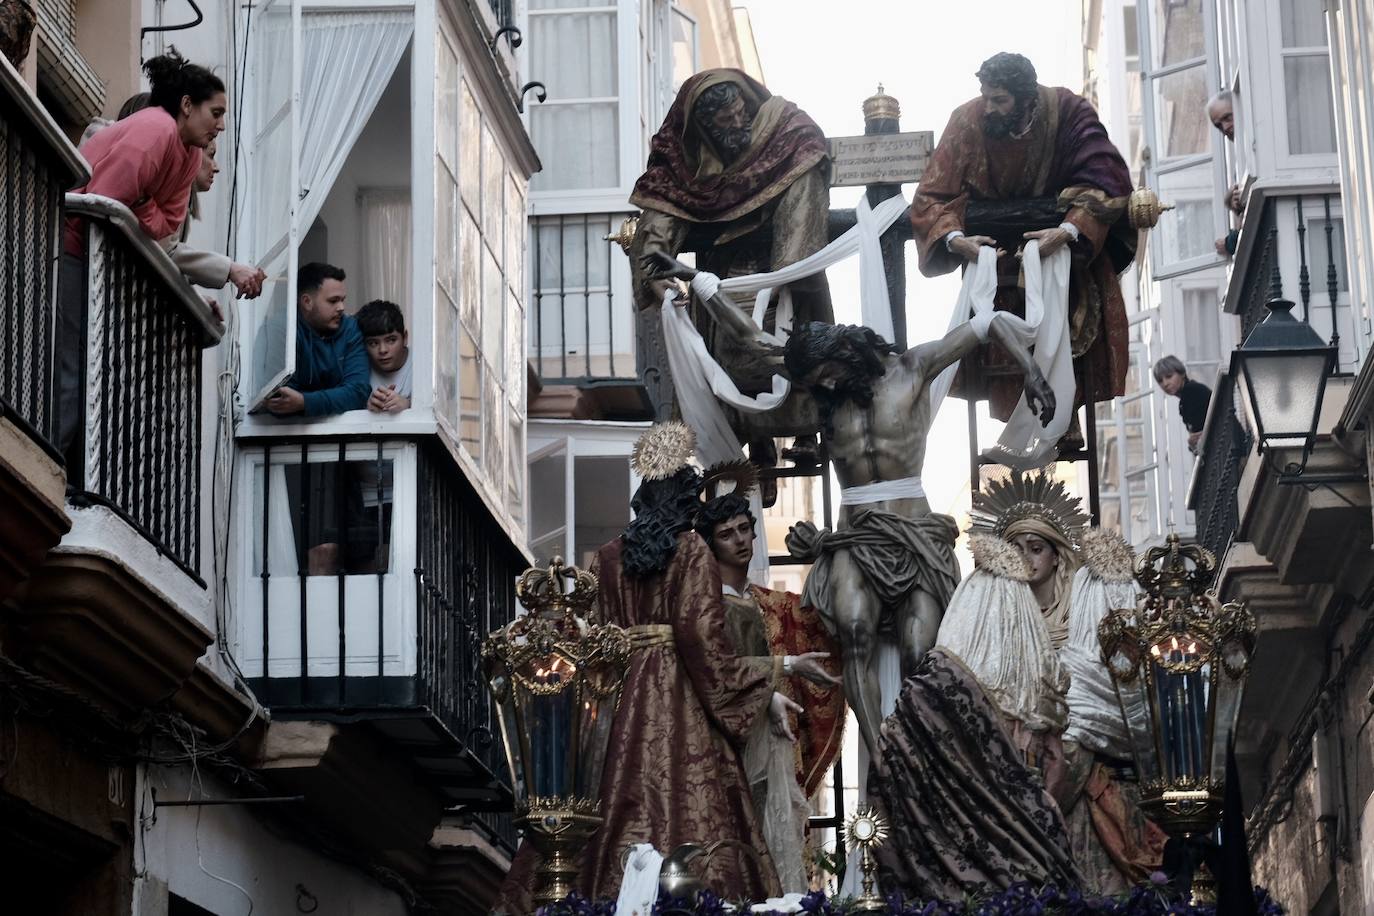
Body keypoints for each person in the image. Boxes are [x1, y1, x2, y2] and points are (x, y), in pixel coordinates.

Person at [493, 423, 792, 913]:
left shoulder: (605, 558)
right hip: (678, 693)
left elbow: (585, 637)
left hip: (618, 693)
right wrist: (756, 687)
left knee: (606, 792)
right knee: (692, 798)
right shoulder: (692, 550)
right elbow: (702, 639)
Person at [771, 316, 1055, 762]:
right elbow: (752, 344)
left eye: (824, 372)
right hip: (856, 537)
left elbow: (989, 323)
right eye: (814, 380)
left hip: (915, 533)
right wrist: (703, 287)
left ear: (841, 351)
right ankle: (880, 754)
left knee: (920, 650)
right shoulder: (827, 398)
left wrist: (1032, 373)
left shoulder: (913, 367)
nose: (823, 385)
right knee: (855, 634)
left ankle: (922, 753)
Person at [910, 51, 1134, 447]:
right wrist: (956, 240)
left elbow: (1106, 180)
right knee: (999, 331)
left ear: (1026, 97)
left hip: (1060, 248)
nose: (990, 108)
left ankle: (1067, 415)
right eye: (986, 97)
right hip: (992, 252)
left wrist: (1067, 231)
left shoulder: (1068, 112)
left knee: (1070, 317)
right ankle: (1018, 418)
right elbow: (930, 197)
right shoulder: (967, 120)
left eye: (1000, 100)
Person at [629, 68, 833, 475]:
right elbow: (657, 222)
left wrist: (785, 273)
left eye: (741, 112)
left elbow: (807, 174)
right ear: (704, 128)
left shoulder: (786, 131)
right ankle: (749, 442)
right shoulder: (686, 169)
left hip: (783, 278)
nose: (739, 124)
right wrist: (653, 268)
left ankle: (808, 431)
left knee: (794, 347)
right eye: (724, 122)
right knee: (726, 360)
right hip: (723, 279)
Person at [873, 531, 1082, 901]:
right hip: (1024, 864)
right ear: (1023, 620)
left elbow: (889, 752)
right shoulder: (1035, 685)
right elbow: (1055, 773)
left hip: (938, 869)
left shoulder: (929, 692)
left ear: (962, 611)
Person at [58, 48, 226, 451]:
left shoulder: (185, 153)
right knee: (71, 372)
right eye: (215, 113)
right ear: (187, 105)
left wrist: (141, 200)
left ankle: (63, 463)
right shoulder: (155, 130)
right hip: (72, 248)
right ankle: (50, 463)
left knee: (89, 376)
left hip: (94, 259)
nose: (220, 125)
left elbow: (163, 227)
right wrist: (141, 203)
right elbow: (104, 202)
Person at [697, 471, 845, 894]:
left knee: (769, 824)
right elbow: (715, 667)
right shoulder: (705, 607)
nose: (741, 540)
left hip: (767, 730)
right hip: (723, 730)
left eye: (746, 529)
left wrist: (832, 556)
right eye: (727, 534)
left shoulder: (770, 603)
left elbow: (824, 619)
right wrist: (787, 668)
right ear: (711, 545)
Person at [264, 263, 370, 417]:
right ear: (307, 302)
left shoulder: (350, 328)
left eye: (342, 300)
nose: (341, 307)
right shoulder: (282, 328)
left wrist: (304, 401)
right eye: (333, 301)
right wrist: (335, 397)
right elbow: (280, 400)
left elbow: (359, 392)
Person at [1206, 90, 1245, 256]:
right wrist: (1233, 204)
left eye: (1228, 118)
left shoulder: (1254, 147)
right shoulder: (1241, 156)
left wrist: (1230, 243)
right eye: (1218, 125)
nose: (1225, 128)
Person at [356, 299, 412, 413]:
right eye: (373, 343)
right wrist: (367, 408)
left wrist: (409, 405)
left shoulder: (423, 363)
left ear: (405, 338)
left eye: (391, 340)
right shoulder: (361, 368)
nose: (383, 350)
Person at [1154, 355, 1212, 453]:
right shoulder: (1185, 399)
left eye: (1169, 376)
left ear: (1182, 374)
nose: (1165, 383)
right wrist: (1192, 443)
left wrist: (1192, 443)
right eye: (1160, 381)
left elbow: (1198, 434)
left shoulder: (1191, 391)